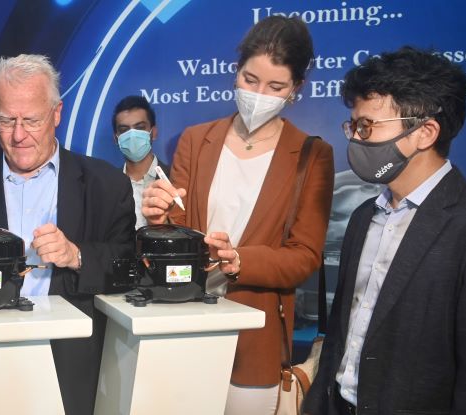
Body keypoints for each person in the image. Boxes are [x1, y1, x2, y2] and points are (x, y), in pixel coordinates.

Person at [305, 47, 466, 415]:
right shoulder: (363, 217)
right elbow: (340, 332)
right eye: (353, 126)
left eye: (367, 126)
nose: (356, 138)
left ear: (425, 132)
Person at [142, 16, 334, 414]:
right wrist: (159, 220)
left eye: (276, 87)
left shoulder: (313, 155)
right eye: (250, 79)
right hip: (183, 319)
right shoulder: (196, 140)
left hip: (255, 332)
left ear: (296, 88)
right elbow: (177, 228)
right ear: (236, 71)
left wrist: (240, 260)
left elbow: (305, 255)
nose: (259, 95)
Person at [0, 54, 135, 415]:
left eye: (32, 120)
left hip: (71, 357)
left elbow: (128, 265)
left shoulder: (107, 183)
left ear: (56, 113)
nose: (18, 135)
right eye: (6, 120)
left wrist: (77, 255)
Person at [111, 95, 170, 229]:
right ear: (116, 138)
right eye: (124, 130)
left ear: (154, 132)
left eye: (140, 127)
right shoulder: (108, 186)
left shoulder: (174, 179)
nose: (132, 135)